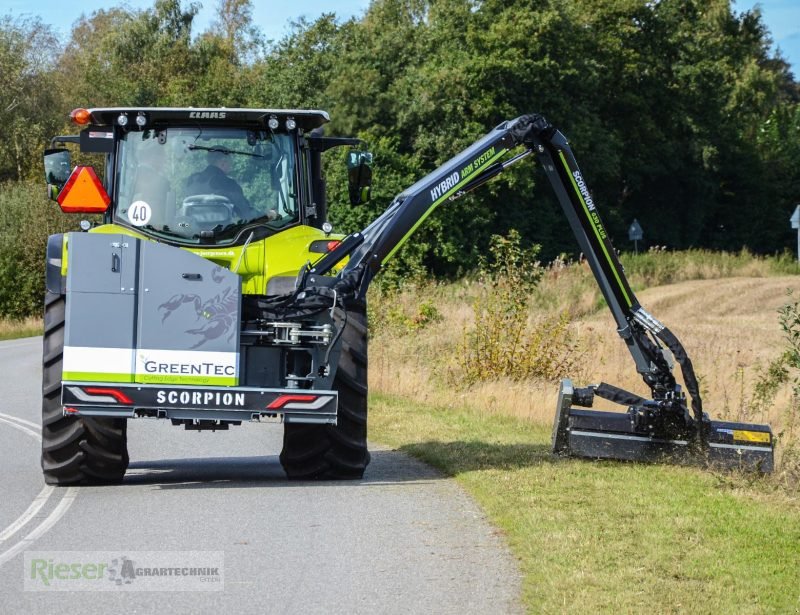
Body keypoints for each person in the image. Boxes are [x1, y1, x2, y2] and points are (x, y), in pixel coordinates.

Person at [184, 150, 253, 218]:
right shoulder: (229, 184)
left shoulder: (192, 180)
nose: (230, 165)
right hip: (223, 228)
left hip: (191, 226)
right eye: (230, 162)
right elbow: (244, 210)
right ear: (223, 162)